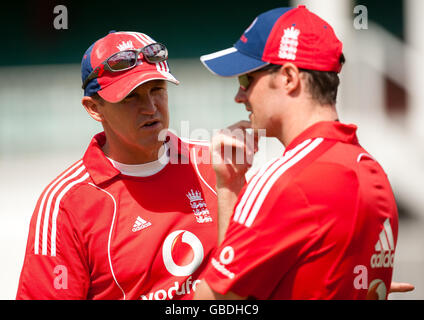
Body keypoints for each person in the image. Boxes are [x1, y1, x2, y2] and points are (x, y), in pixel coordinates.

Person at [194, 5, 404, 299]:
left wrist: (228, 189)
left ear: (289, 78)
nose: (238, 95)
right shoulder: (372, 172)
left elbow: (215, 301)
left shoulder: (285, 182)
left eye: (246, 80)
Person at [16, 31, 218, 300]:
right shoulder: (64, 205)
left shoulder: (217, 164)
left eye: (157, 89)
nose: (150, 108)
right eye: (130, 97)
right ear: (94, 108)